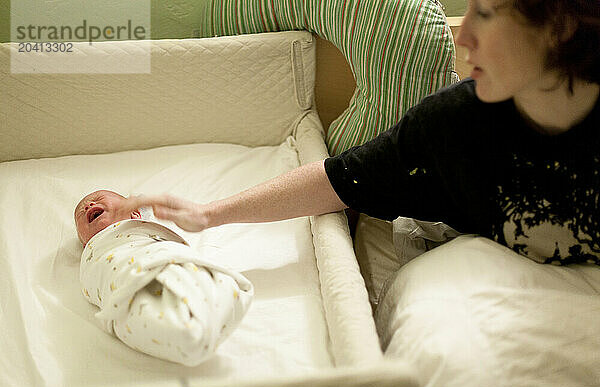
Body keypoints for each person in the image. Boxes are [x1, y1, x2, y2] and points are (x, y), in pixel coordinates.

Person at [123, 0, 599, 266]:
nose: (462, 34)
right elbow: (338, 179)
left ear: (558, 26)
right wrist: (209, 213)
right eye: (467, 8)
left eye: (487, 14)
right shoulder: (454, 126)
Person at [75, 190, 253, 365]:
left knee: (206, 280)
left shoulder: (142, 231)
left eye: (98, 198)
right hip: (127, 285)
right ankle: (185, 332)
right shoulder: (93, 253)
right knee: (147, 315)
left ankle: (208, 313)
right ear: (85, 244)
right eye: (80, 215)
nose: (88, 206)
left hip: (162, 258)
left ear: (135, 214)